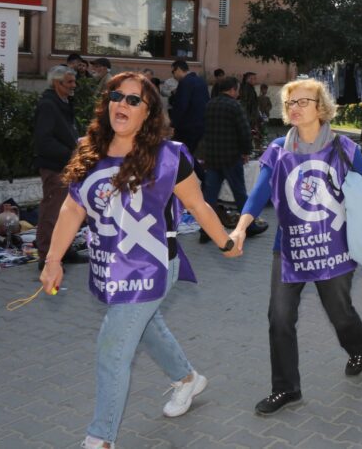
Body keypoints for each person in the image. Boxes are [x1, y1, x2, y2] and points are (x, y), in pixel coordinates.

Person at [39, 72, 241, 449]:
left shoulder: (167, 157)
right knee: (147, 327)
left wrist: (226, 243)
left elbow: (198, 205)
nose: (123, 104)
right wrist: (53, 259)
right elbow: (71, 208)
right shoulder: (89, 150)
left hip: (153, 266)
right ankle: (187, 380)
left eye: (134, 100)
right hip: (109, 265)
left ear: (149, 113)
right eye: (117, 96)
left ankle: (100, 439)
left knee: (113, 347)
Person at [231, 79, 362, 416]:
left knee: (339, 313)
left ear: (321, 108)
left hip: (334, 249)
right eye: (291, 103)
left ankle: (358, 344)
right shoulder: (277, 149)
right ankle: (286, 388)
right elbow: (258, 194)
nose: (296, 108)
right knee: (280, 318)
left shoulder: (345, 149)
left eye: (304, 101)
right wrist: (241, 227)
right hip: (288, 249)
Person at [198, 76, 257, 243]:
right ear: (232, 90)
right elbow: (244, 131)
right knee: (240, 193)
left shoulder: (210, 105)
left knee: (209, 196)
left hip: (213, 157)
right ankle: (249, 227)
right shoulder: (234, 106)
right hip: (231, 157)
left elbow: (206, 130)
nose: (238, 93)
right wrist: (246, 151)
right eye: (237, 90)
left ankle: (205, 230)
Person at [33, 65, 78, 271]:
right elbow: (44, 141)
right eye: (69, 82)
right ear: (56, 83)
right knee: (52, 212)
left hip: (67, 167)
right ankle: (47, 257)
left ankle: (64, 250)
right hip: (55, 167)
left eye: (73, 81)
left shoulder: (65, 102)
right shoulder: (48, 105)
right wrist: (71, 153)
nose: (73, 86)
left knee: (67, 212)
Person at [169, 59, 209, 154]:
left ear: (178, 69)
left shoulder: (185, 82)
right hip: (201, 125)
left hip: (186, 128)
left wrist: (173, 124)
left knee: (181, 155)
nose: (173, 75)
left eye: (173, 72)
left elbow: (181, 105)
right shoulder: (201, 81)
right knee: (194, 155)